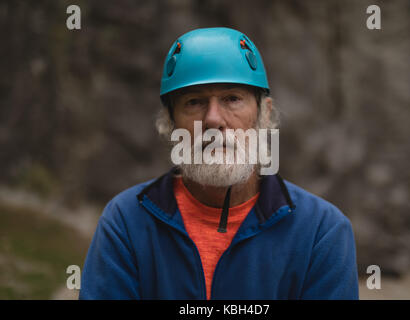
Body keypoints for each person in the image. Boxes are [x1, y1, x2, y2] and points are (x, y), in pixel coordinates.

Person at [79, 27, 359, 300]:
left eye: (232, 99)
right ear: (171, 122)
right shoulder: (127, 221)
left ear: (264, 115)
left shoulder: (321, 231)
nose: (213, 119)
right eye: (194, 102)